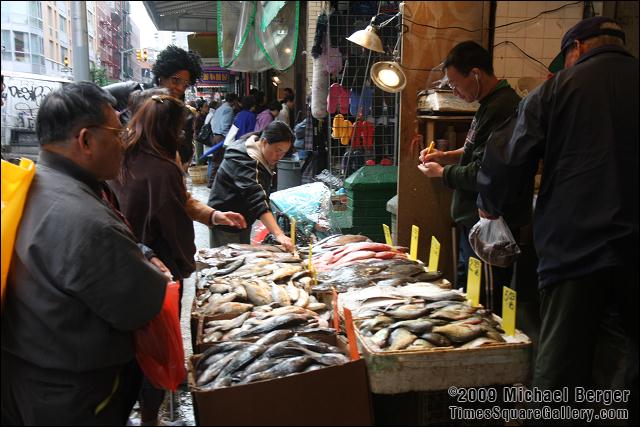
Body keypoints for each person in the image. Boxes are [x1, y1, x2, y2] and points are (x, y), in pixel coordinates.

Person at [476, 17, 638, 422]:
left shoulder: (559, 88)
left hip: (575, 251)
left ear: (576, 49)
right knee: (627, 364)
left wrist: (490, 203)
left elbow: (508, 157)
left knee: (561, 365)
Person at [0, 82, 168, 425]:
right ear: (86, 140)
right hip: (74, 394)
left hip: (27, 377)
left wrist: (139, 251)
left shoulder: (32, 182)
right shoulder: (85, 220)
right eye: (117, 133)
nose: (123, 144)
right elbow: (140, 304)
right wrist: (154, 273)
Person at [110, 93, 246, 426]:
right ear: (167, 127)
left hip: (120, 264)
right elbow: (173, 220)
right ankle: (152, 417)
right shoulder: (159, 166)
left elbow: (182, 200)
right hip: (156, 269)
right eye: (181, 128)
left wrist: (215, 216)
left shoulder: (123, 154)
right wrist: (188, 264)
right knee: (155, 346)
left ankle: (140, 411)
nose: (183, 135)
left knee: (129, 346)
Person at [418, 40, 523, 313]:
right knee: (470, 291)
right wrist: (445, 156)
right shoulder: (489, 103)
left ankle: (491, 352)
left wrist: (441, 173)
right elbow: (475, 149)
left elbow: (485, 172)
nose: (453, 90)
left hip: (489, 225)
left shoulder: (504, 106)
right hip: (473, 222)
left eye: (454, 83)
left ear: (475, 74)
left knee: (484, 305)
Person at [207, 121, 295, 252]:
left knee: (243, 260)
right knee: (228, 263)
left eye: (284, 153)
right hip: (225, 221)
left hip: (243, 219)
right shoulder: (242, 158)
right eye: (278, 151)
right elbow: (256, 197)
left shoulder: (259, 153)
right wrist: (278, 234)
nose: (280, 156)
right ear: (264, 142)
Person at [152, 45, 203, 169]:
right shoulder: (135, 96)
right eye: (175, 80)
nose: (180, 88)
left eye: (185, 85)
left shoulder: (186, 114)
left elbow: (186, 155)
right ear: (161, 76)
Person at [207, 93, 240, 187]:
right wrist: (228, 139)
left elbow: (213, 123)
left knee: (216, 160)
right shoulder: (228, 109)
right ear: (234, 101)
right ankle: (213, 183)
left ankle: (212, 182)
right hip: (221, 137)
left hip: (215, 136)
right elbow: (225, 126)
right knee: (219, 161)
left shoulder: (219, 108)